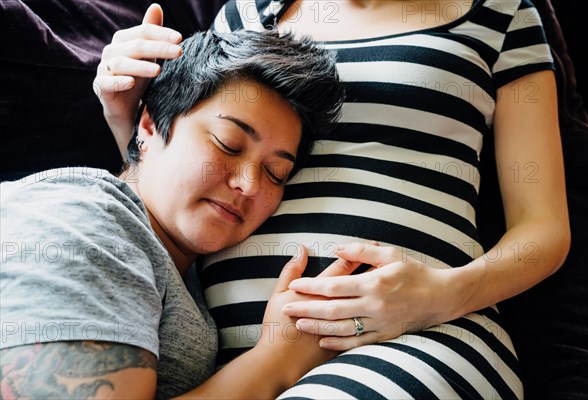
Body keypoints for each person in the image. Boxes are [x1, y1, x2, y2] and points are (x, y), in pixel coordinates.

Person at [96, 0, 571, 398]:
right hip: (240, 370)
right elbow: (181, 174)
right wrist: (125, 112)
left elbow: (543, 227)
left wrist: (441, 297)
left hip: (419, 337)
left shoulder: (501, 13)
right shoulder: (245, 15)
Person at [0, 28, 347, 399]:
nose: (250, 183)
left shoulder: (183, 272)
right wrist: (277, 361)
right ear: (149, 124)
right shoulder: (83, 218)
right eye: (228, 145)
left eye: (275, 173)